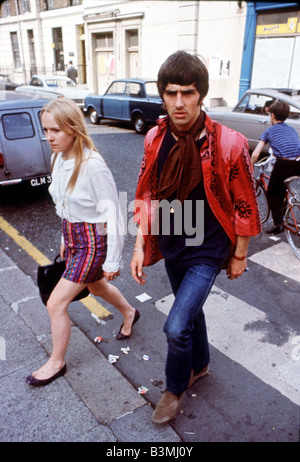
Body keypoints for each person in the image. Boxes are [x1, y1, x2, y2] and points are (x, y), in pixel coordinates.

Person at [130, 50, 261, 424]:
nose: (179, 102)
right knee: (192, 313)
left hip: (209, 247)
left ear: (200, 95)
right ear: (162, 96)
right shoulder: (155, 137)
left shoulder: (229, 143)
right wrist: (140, 244)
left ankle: (174, 387)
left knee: (175, 325)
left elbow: (245, 203)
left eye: (187, 93)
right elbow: (146, 192)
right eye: (171, 93)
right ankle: (200, 363)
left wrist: (240, 254)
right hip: (173, 242)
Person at [26, 98, 139, 387]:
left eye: (55, 130)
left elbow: (113, 216)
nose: (48, 137)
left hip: (92, 242)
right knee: (96, 286)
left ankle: (57, 362)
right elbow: (65, 204)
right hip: (74, 237)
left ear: (73, 129)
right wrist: (65, 235)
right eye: (45, 130)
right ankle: (129, 312)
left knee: (55, 304)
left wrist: (113, 260)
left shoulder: (92, 166)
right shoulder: (59, 156)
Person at [252, 100, 300, 234]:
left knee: (272, 193)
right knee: (282, 189)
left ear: (272, 115)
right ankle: (285, 212)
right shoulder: (292, 130)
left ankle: (278, 224)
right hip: (297, 164)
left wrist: (249, 166)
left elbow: (255, 154)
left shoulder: (269, 131)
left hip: (283, 164)